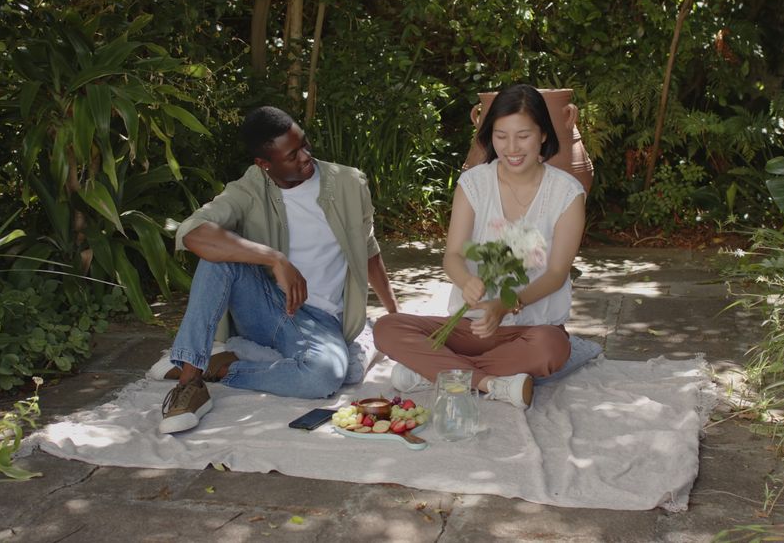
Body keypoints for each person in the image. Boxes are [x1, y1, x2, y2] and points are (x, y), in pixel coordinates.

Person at [160, 106, 399, 434]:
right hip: (267, 308)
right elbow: (192, 233)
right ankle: (189, 382)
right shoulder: (249, 189)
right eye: (292, 154)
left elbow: (368, 250)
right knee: (216, 257)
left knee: (324, 376)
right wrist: (275, 259)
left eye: (305, 145)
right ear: (264, 163)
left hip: (323, 322)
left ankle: (226, 368)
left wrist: (394, 312)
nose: (305, 157)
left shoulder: (348, 183)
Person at [373, 84, 585, 410]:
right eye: (501, 136)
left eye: (523, 136)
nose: (511, 148)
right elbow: (453, 255)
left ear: (543, 134)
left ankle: (434, 371)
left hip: (531, 330)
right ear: (489, 135)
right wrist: (465, 280)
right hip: (471, 327)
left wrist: (504, 304)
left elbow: (556, 273)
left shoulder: (566, 193)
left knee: (551, 349)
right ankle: (488, 383)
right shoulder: (473, 183)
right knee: (387, 327)